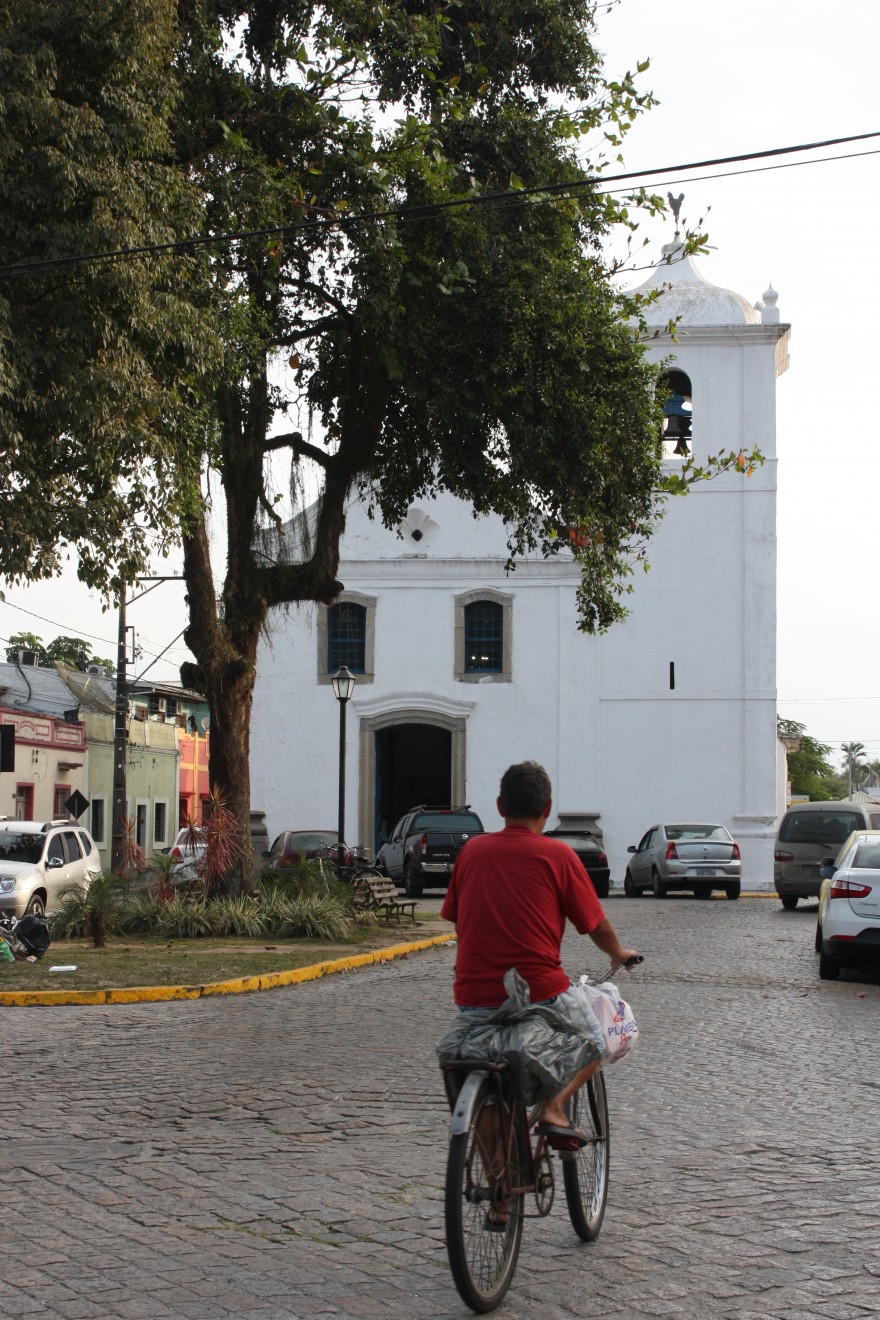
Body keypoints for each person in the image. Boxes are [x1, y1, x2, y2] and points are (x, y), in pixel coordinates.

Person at [440, 760, 639, 1146]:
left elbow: (458, 920)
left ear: (499, 806)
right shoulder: (558, 856)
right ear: (547, 810)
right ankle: (553, 1108)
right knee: (600, 1041)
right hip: (542, 991)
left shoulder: (472, 853)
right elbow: (595, 925)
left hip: (474, 996)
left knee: (485, 1091)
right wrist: (618, 953)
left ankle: (497, 1200)